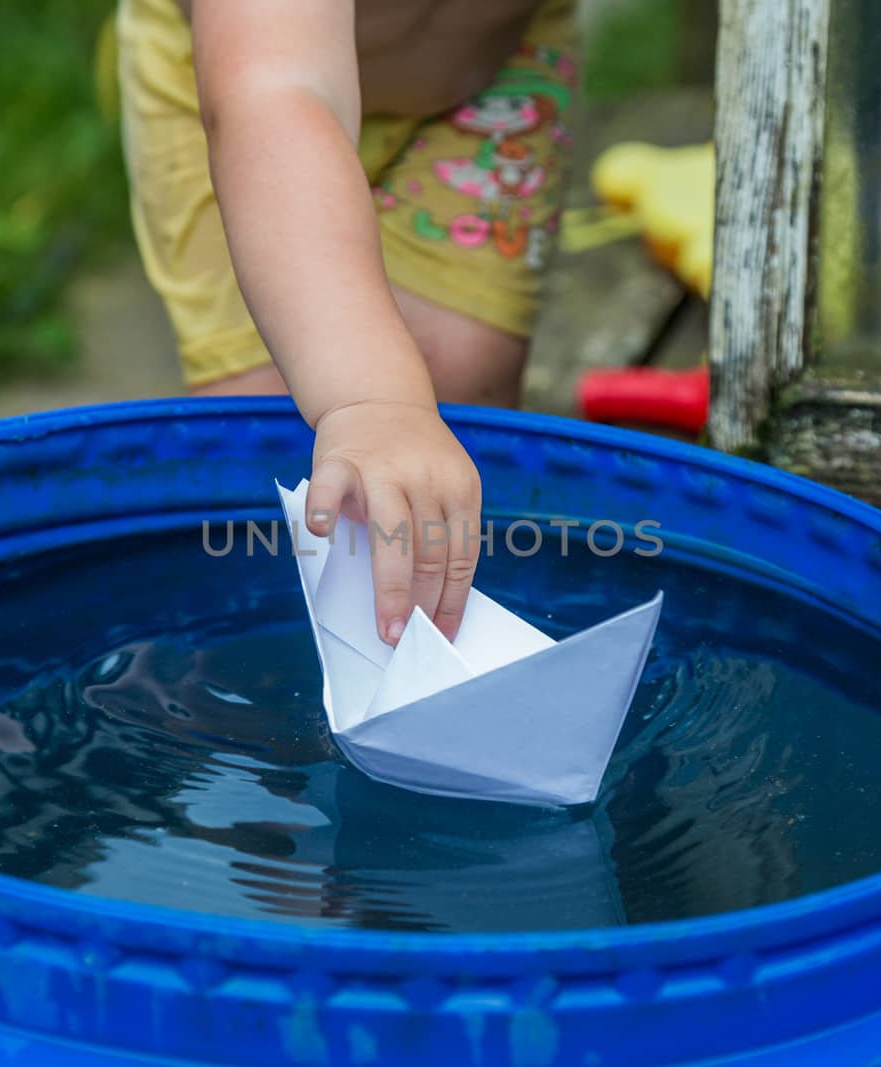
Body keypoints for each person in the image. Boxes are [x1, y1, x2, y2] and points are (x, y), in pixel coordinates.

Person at [116, 0, 577, 646]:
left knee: (459, 373)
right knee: (272, 427)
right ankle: (264, 663)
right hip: (249, 82)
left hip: (478, 77)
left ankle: (443, 643)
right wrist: (374, 399)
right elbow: (272, 90)